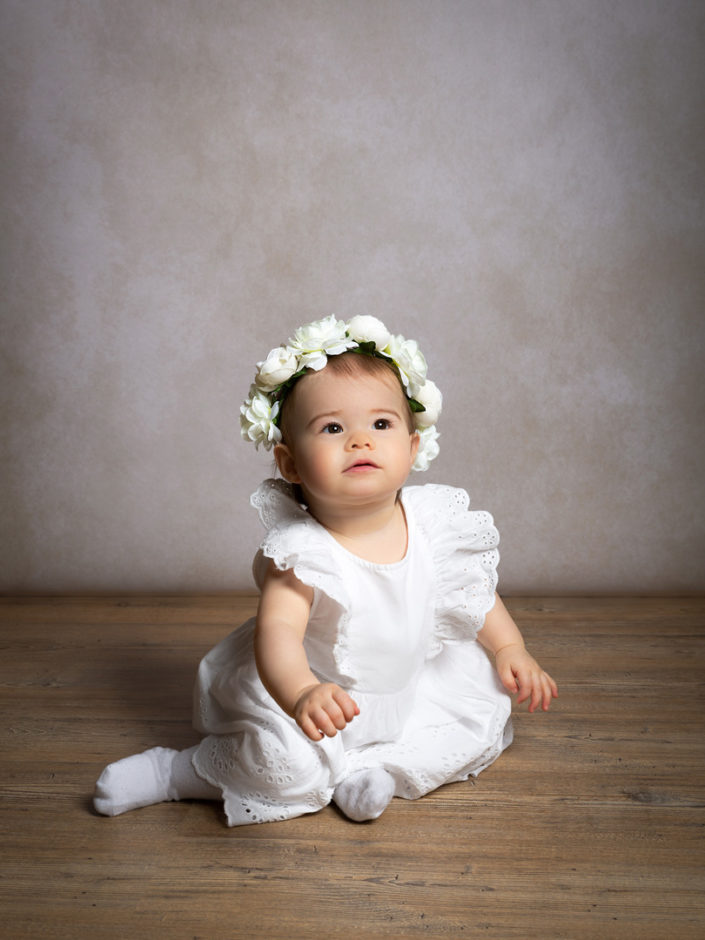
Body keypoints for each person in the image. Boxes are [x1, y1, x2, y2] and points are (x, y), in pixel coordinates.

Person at [94, 315, 557, 825]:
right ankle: (178, 774)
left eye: (381, 424)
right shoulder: (302, 551)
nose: (360, 441)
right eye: (333, 428)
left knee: (477, 707)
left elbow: (473, 594)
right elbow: (278, 636)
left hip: (406, 687)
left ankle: (369, 767)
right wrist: (300, 693)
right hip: (313, 697)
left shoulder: (431, 524)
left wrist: (511, 647)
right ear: (290, 465)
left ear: (413, 446)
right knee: (282, 765)